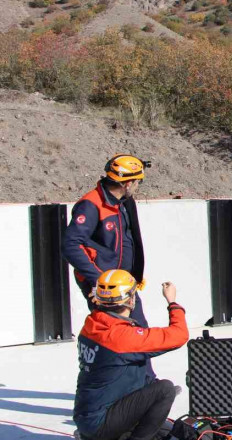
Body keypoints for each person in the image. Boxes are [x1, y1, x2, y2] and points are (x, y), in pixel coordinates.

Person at [62, 155, 154, 374]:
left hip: (124, 282)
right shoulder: (91, 205)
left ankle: (145, 382)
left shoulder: (123, 202)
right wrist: (98, 281)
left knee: (139, 331)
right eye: (138, 181)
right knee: (110, 339)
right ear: (127, 183)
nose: (138, 186)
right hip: (104, 287)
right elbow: (70, 244)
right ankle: (111, 389)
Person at [73, 270, 188, 440]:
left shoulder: (91, 325)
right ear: (131, 300)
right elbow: (179, 335)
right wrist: (172, 301)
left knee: (164, 426)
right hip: (101, 423)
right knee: (165, 390)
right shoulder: (120, 338)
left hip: (88, 416)